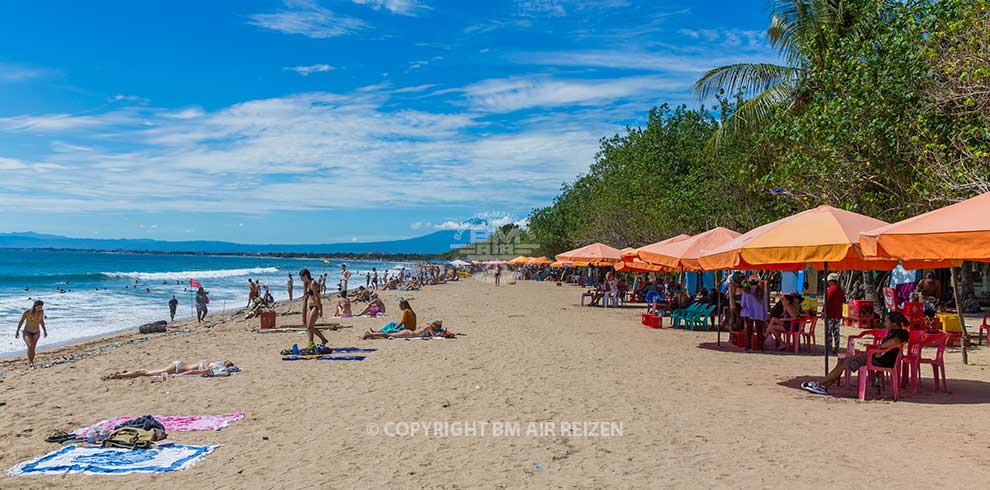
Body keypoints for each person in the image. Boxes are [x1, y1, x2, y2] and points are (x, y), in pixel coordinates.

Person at [801, 312, 911, 395]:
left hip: (879, 360)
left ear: (894, 324)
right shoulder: (895, 332)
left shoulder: (902, 333)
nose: (885, 323)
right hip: (876, 357)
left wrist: (880, 347)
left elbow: (895, 341)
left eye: (887, 321)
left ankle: (819, 383)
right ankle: (823, 386)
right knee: (842, 363)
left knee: (843, 363)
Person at [102, 360, 237, 380]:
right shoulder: (208, 368)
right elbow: (191, 372)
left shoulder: (209, 361)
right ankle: (120, 376)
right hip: (177, 368)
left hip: (178, 364)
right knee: (147, 373)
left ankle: (125, 374)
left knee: (149, 372)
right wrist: (176, 377)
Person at [300, 268, 329, 346]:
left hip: (316, 306)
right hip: (310, 306)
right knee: (308, 327)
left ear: (306, 276)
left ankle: (323, 339)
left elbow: (317, 297)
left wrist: (320, 309)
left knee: (310, 327)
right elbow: (306, 294)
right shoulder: (306, 283)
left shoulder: (313, 283)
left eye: (301, 278)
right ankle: (311, 344)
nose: (301, 280)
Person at [739, 274, 768, 351]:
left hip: (747, 313)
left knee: (748, 331)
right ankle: (760, 348)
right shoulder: (762, 292)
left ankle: (748, 348)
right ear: (758, 282)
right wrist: (765, 315)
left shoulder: (745, 292)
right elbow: (765, 304)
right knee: (759, 331)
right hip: (760, 313)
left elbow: (742, 304)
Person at [15, 300, 47, 367]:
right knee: (30, 345)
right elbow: (21, 321)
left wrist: (44, 330)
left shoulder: (41, 312)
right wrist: (17, 331)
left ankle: (31, 361)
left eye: (41, 307)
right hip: (27, 332)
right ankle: (30, 362)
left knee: (33, 347)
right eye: (39, 307)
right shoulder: (27, 312)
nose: (40, 308)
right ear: (35, 306)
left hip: (36, 332)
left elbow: (41, 321)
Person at [825, 272, 845, 355]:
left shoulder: (831, 290)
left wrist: (823, 311)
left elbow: (827, 302)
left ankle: (829, 348)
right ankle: (837, 348)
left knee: (829, 332)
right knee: (836, 332)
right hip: (838, 314)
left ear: (830, 281)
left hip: (830, 314)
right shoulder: (840, 290)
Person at [363, 320, 443, 340]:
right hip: (409, 334)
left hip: (409, 332)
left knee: (389, 335)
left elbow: (418, 328)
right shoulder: (429, 327)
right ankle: (371, 334)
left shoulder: (425, 325)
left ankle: (373, 335)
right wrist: (440, 334)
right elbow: (434, 336)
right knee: (388, 335)